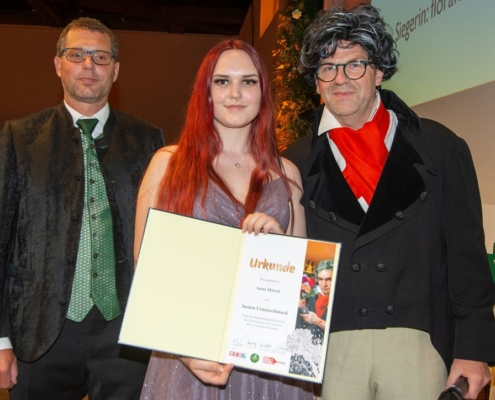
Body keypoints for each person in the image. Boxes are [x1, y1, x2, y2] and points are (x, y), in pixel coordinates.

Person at [284, 5, 495, 400]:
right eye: (327, 68)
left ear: (379, 71)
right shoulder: (293, 160)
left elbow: (467, 257)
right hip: (331, 350)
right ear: (316, 82)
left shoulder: (440, 147)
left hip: (420, 343)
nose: (340, 78)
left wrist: (473, 349)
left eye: (354, 65)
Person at [135, 39, 312, 400]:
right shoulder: (168, 165)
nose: (235, 93)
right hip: (190, 357)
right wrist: (184, 349)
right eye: (221, 81)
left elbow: (304, 285)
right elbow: (145, 270)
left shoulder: (287, 174)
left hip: (268, 364)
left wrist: (278, 245)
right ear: (206, 92)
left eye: (248, 81)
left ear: (263, 92)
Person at [0, 17, 164, 399]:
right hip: (39, 330)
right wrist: (0, 338)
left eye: (100, 57)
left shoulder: (149, 140)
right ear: (58, 64)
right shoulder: (20, 138)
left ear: (116, 70)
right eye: (77, 55)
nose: (89, 65)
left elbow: (163, 237)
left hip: (126, 332)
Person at [299, 259, 333, 335]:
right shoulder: (311, 293)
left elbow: (339, 330)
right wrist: (302, 307)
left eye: (328, 280)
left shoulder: (343, 300)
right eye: (320, 279)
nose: (324, 284)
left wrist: (317, 321)